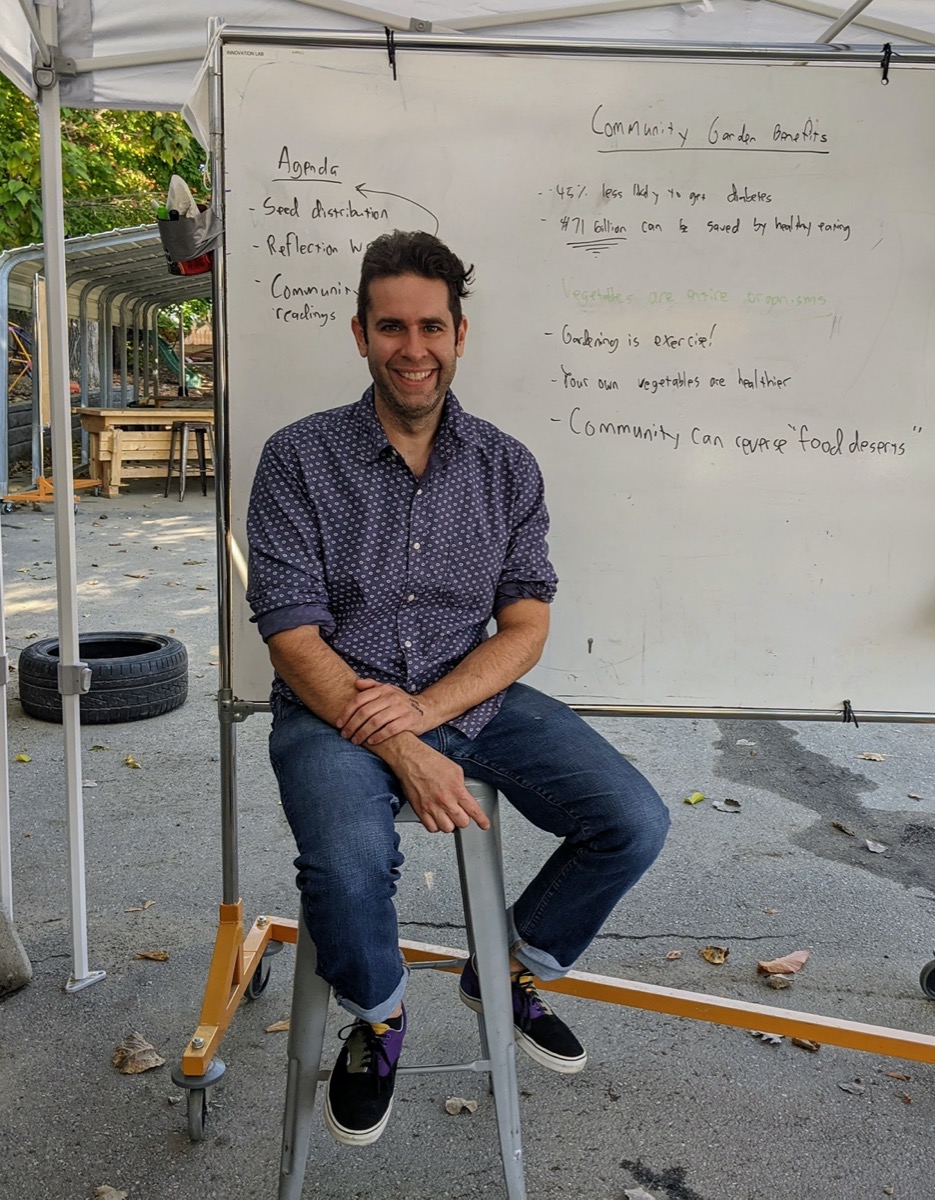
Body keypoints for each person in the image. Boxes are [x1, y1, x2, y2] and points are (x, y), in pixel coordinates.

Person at [246, 230, 669, 1147]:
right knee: (350, 860)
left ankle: (506, 965)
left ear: (460, 334)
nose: (413, 347)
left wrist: (429, 717)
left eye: (430, 326)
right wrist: (401, 746)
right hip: (332, 710)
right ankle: (381, 1015)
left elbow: (525, 627)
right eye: (391, 326)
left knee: (633, 820)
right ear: (359, 333)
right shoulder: (296, 458)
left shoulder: (506, 466)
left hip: (469, 699)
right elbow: (289, 635)